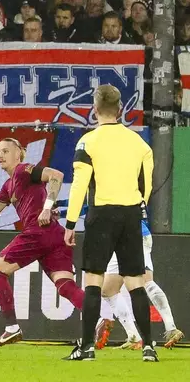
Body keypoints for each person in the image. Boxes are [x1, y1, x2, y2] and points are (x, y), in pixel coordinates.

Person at [0, 138, 85, 346]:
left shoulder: (23, 170)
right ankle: (99, 319)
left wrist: (47, 207)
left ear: (19, 154)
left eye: (6, 151)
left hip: (37, 232)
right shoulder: (8, 185)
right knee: (65, 286)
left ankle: (11, 329)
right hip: (54, 234)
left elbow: (56, 175)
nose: (0, 155)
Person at [63, 84, 156, 362]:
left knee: (93, 280)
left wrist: (70, 223)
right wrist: (137, 210)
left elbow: (79, 185)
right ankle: (149, 348)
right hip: (130, 215)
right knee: (135, 282)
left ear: (94, 109)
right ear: (119, 110)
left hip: (101, 214)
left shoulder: (87, 142)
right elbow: (146, 187)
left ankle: (87, 348)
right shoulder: (140, 143)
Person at [95, 219, 184, 349]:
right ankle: (134, 337)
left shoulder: (101, 199)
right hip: (122, 238)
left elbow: (84, 207)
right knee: (109, 290)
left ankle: (171, 328)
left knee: (145, 281)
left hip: (134, 236)